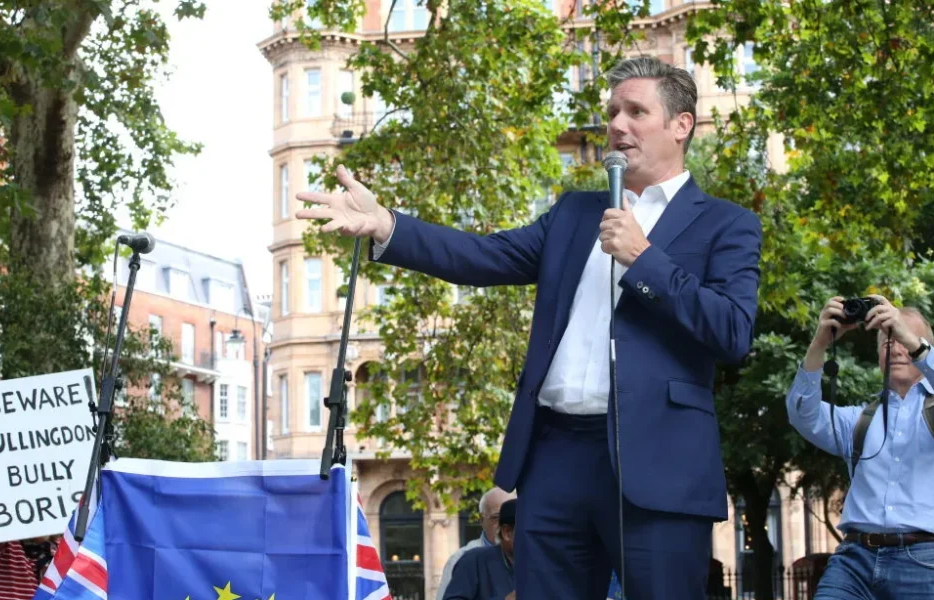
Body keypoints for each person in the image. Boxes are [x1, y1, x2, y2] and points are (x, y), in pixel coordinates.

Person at [295, 55, 762, 598]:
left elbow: (732, 330)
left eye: (637, 111)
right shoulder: (574, 214)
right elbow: (483, 255)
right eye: (612, 111)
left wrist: (644, 258)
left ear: (682, 125)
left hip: (658, 462)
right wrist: (388, 227)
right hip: (555, 454)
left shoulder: (726, 223)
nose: (617, 124)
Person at [786, 295, 934, 599]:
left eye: (904, 339)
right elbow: (804, 415)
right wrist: (820, 344)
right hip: (855, 560)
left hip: (924, 559)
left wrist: (907, 337)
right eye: (886, 342)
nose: (895, 347)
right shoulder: (860, 420)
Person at [436, 487, 515, 600]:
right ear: (482, 520)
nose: (503, 525)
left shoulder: (533, 560)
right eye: (497, 517)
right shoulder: (464, 558)